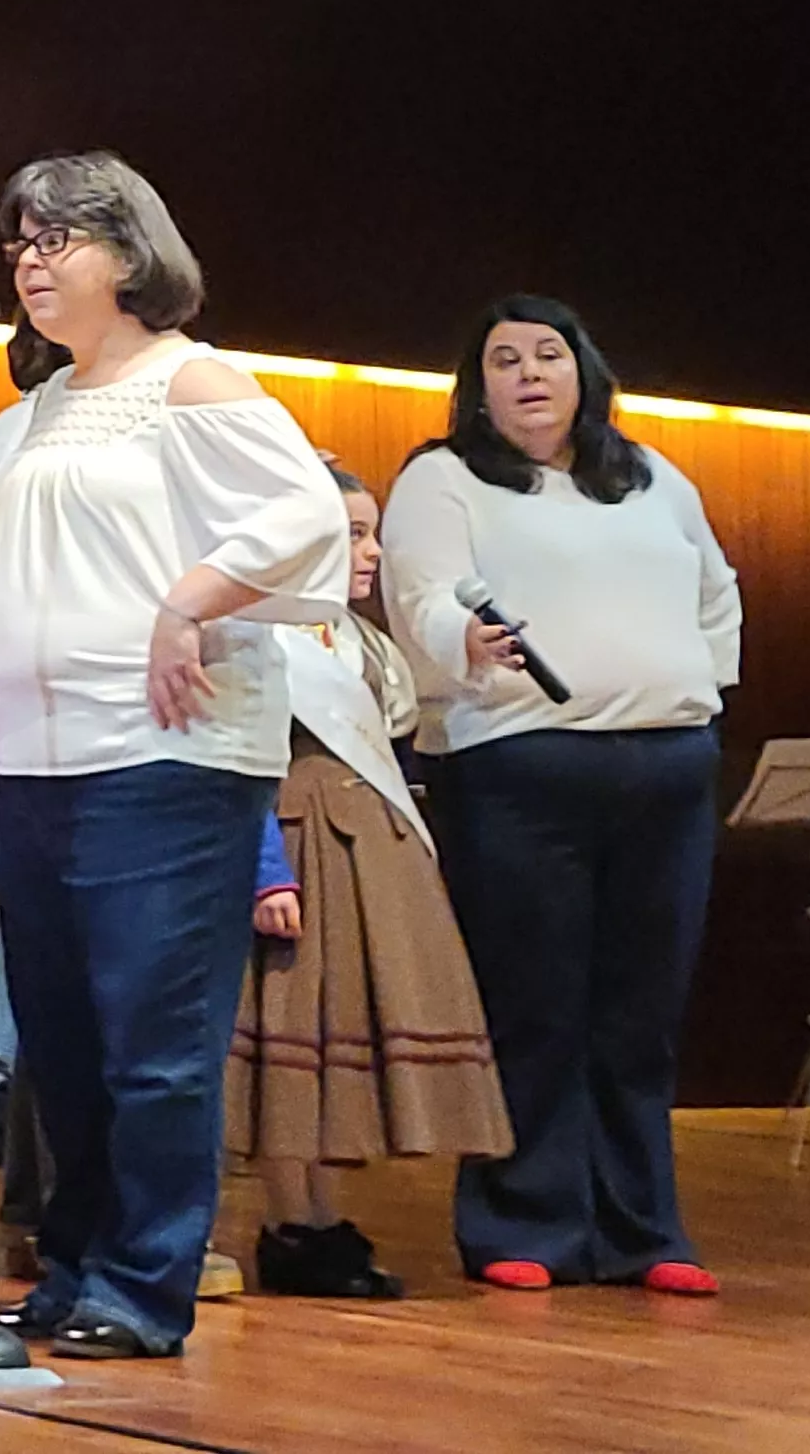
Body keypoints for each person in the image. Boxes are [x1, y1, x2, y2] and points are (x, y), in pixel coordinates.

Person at [0, 151, 349, 1360]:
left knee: (152, 1039)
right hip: (33, 759)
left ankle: (142, 1283)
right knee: (62, 1040)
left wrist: (186, 599)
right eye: (20, 241)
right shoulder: (18, 419)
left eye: (58, 239)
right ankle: (71, 1261)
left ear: (128, 254)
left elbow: (304, 516)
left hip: (165, 756)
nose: (32, 261)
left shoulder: (192, 383)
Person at [381, 293, 741, 1297]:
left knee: (641, 1011)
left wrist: (695, 696)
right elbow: (419, 596)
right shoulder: (442, 478)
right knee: (530, 1004)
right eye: (504, 358)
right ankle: (524, 1219)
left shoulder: (651, 476)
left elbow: (716, 593)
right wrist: (466, 646)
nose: (529, 372)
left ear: (584, 370)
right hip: (519, 768)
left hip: (666, 769)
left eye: (548, 353)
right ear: (476, 386)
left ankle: (642, 1226)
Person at [227, 468, 513, 1298]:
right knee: (295, 1035)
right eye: (351, 533)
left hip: (369, 849)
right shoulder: (255, 631)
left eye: (371, 531)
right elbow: (238, 760)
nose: (372, 551)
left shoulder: (358, 640)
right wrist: (262, 870)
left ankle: (323, 1214)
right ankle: (291, 1218)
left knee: (340, 1034)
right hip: (300, 841)